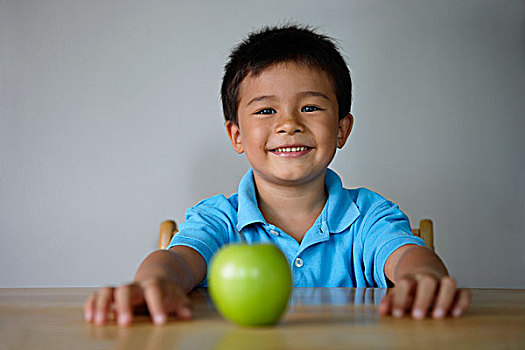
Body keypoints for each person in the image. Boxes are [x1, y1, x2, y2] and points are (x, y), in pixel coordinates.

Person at [84, 24, 470, 327]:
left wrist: (423, 277)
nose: (289, 124)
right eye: (266, 111)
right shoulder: (217, 219)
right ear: (236, 134)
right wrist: (157, 283)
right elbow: (179, 261)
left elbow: (409, 256)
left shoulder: (368, 215)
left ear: (341, 129)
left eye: (311, 107)